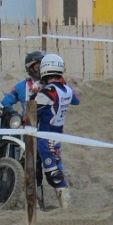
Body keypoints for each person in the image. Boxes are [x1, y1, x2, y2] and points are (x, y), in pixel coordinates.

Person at [31, 53, 80, 209]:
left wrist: (36, 91)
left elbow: (31, 110)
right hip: (57, 135)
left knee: (51, 173)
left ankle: (42, 206)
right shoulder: (66, 89)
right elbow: (76, 100)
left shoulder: (47, 93)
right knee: (55, 168)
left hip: (43, 138)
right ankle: (64, 204)